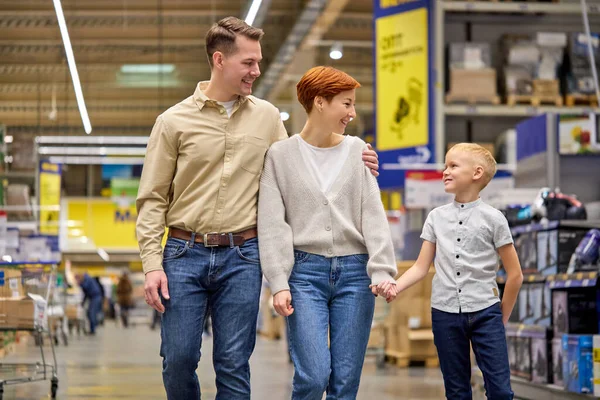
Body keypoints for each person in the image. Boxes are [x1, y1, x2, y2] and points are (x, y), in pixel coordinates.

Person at [135, 17, 380, 400]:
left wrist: (356, 154)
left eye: (258, 61)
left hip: (243, 256)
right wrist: (152, 264)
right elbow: (152, 199)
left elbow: (300, 165)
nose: (257, 70)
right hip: (183, 254)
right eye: (248, 62)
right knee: (179, 358)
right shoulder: (173, 122)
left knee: (234, 362)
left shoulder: (266, 117)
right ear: (219, 60)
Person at [257, 66, 397, 400]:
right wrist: (278, 282)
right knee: (313, 374)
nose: (352, 112)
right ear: (320, 102)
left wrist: (382, 270)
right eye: (346, 104)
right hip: (304, 275)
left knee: (346, 382)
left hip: (354, 274)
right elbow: (273, 223)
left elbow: (373, 214)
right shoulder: (280, 155)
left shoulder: (356, 150)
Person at [375, 143, 524, 400]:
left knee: (500, 391)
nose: (445, 171)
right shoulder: (435, 217)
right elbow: (422, 267)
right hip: (444, 313)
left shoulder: (494, 219)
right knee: (456, 392)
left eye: (453, 165)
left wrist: (500, 318)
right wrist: (394, 287)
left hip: (486, 312)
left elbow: (515, 275)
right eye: (445, 165)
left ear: (477, 173)